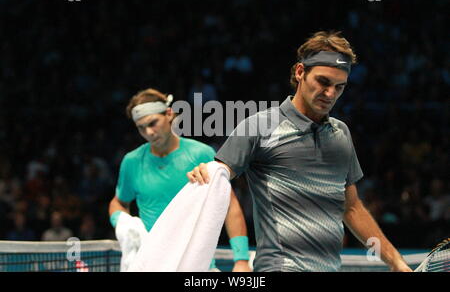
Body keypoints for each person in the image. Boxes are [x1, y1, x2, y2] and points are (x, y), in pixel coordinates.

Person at [187, 31, 413, 272]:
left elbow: (352, 208)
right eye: (324, 82)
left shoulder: (341, 134)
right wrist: (208, 170)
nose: (331, 94)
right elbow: (220, 174)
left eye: (339, 87)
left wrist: (395, 261)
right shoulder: (259, 126)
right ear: (299, 72)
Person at [108, 88, 251, 272]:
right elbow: (119, 202)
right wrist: (123, 223)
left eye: (152, 123)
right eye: (141, 127)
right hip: (152, 266)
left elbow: (229, 205)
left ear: (168, 114)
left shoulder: (202, 153)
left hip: (199, 268)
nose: (148, 132)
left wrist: (241, 260)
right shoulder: (132, 161)